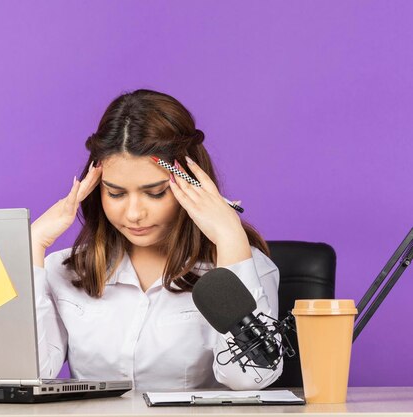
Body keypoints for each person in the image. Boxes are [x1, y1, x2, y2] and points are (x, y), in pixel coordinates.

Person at [30, 89, 282, 391]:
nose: (134, 213)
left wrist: (230, 239)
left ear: (191, 185)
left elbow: (250, 378)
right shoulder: (63, 270)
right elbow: (28, 373)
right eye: (116, 193)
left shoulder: (250, 266)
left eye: (155, 192)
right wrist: (31, 245)